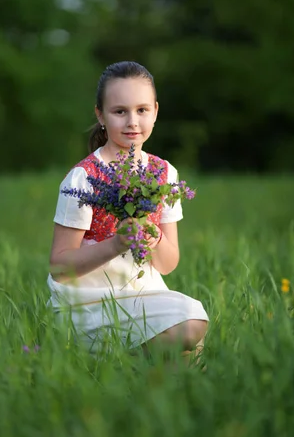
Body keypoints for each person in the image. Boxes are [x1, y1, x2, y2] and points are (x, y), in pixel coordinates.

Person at [47, 61, 208, 363]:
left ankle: (127, 370)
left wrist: (152, 238)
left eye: (142, 110)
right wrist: (115, 244)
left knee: (192, 331)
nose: (132, 121)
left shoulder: (164, 173)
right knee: (188, 334)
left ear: (156, 111)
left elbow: (168, 263)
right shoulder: (84, 179)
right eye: (120, 111)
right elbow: (59, 266)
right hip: (89, 302)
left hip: (143, 294)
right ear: (101, 115)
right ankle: (112, 359)